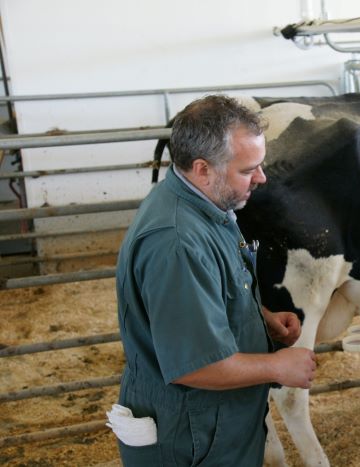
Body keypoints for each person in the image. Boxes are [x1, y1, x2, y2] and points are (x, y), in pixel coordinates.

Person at [114, 95, 316, 466]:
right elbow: (194, 365)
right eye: (247, 170)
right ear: (203, 169)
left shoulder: (205, 203)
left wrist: (261, 319)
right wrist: (277, 366)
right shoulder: (176, 242)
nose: (262, 177)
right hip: (192, 438)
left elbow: (212, 288)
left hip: (215, 425)